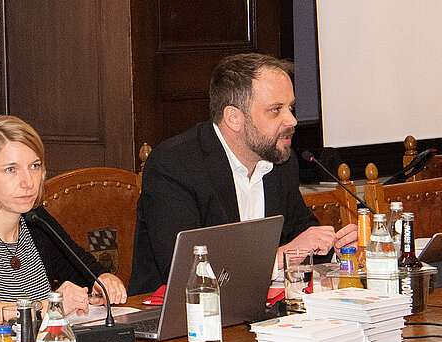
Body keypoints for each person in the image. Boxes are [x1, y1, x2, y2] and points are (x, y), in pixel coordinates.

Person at [128, 53, 357, 295]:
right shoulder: (174, 165)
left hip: (258, 316)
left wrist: (334, 249)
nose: (292, 120)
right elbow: (189, 273)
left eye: (290, 107)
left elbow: (301, 233)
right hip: (180, 322)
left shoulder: (279, 161)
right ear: (234, 118)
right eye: (275, 110)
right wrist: (284, 256)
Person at [0, 115, 127, 323]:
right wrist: (45, 306)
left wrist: (104, 282)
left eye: (34, 166)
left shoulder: (37, 221)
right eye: (11, 169)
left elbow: (85, 270)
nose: (28, 182)